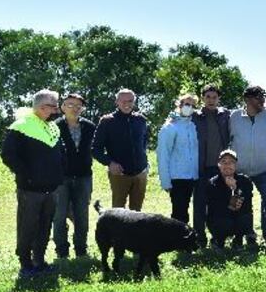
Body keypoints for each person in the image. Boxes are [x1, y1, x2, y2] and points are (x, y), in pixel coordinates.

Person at [2, 90, 64, 278]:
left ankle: (40, 261)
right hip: (30, 190)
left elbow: (60, 155)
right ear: (40, 106)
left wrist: (59, 175)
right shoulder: (21, 126)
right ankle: (25, 264)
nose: (56, 110)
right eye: (53, 106)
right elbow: (8, 155)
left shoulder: (52, 127)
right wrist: (27, 176)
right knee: (27, 227)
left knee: (45, 227)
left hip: (51, 189)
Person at [230, 85, 266, 241]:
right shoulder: (234, 117)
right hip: (239, 170)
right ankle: (245, 234)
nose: (262, 100)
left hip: (265, 168)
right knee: (240, 203)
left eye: (263, 96)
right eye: (258, 97)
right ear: (247, 99)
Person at [92, 88, 150, 210]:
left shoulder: (141, 120)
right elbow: (96, 149)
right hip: (119, 174)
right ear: (117, 102)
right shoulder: (107, 121)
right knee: (118, 212)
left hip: (140, 173)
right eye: (123, 101)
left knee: (137, 213)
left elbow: (144, 143)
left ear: (134, 102)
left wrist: (145, 164)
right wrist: (110, 163)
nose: (127, 104)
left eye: (130, 101)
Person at [53, 92, 95, 259]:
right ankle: (62, 251)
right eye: (70, 105)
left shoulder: (90, 126)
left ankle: (81, 249)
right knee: (59, 215)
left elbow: (97, 149)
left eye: (79, 106)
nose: (75, 108)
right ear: (63, 107)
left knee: (82, 215)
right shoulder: (54, 126)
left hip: (84, 177)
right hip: (60, 178)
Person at [192, 84, 231, 246]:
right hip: (200, 167)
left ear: (218, 99)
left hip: (220, 169)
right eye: (208, 97)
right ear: (202, 98)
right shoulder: (195, 116)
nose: (211, 100)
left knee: (219, 205)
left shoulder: (225, 115)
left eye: (214, 97)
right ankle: (199, 238)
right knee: (200, 205)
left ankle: (218, 237)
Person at [157, 94, 200, 224]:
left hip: (193, 176)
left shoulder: (193, 125)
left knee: (187, 209)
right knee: (179, 213)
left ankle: (186, 238)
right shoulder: (170, 127)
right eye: (187, 104)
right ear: (179, 105)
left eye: (193, 105)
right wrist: (165, 181)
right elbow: (163, 155)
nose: (190, 107)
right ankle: (177, 240)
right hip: (177, 177)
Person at [206, 149, 256, 249]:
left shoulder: (244, 180)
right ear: (219, 165)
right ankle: (218, 241)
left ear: (236, 165)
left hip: (239, 216)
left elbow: (247, 205)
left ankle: (238, 240)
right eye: (224, 162)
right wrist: (228, 191)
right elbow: (216, 208)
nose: (227, 165)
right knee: (223, 221)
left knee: (246, 217)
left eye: (231, 162)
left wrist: (235, 188)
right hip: (221, 218)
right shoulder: (212, 183)